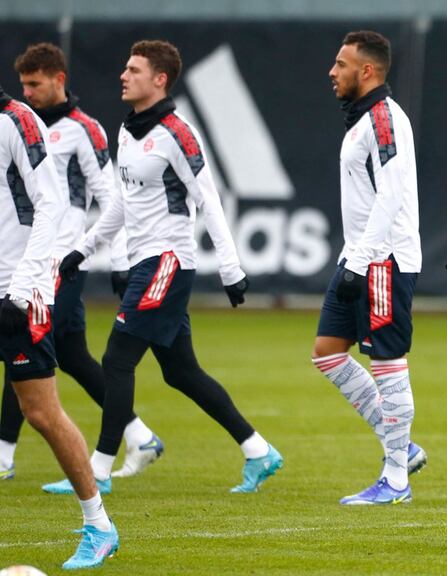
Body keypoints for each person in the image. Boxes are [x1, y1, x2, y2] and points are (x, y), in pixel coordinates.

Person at [45, 39, 282, 495]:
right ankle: (258, 450)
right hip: (144, 263)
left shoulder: (177, 132)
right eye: (125, 67)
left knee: (116, 358)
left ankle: (96, 469)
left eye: (133, 69)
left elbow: (208, 199)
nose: (123, 75)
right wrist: (86, 247)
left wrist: (231, 268)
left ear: (159, 79)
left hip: (169, 261)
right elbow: (121, 204)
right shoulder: (128, 131)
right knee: (180, 372)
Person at [0, 42, 163, 483]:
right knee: (71, 356)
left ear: (59, 79)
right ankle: (139, 433)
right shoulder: (21, 125)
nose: (29, 91)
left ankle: (4, 452)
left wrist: (119, 256)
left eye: (36, 83)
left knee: (19, 339)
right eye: (24, 85)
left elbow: (111, 195)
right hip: (41, 258)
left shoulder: (83, 129)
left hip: (59, 259)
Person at [0, 84, 119, 569]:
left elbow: (51, 203)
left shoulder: (17, 120)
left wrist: (26, 287)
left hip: (19, 290)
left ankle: (99, 525)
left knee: (41, 414)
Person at [313, 30, 426, 506]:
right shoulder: (362, 121)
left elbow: (392, 195)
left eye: (341, 64)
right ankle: (402, 445)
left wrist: (359, 263)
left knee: (387, 362)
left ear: (368, 71)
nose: (332, 72)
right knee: (327, 352)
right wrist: (352, 259)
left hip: (383, 259)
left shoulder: (384, 119)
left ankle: (396, 478)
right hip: (359, 256)